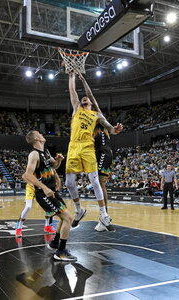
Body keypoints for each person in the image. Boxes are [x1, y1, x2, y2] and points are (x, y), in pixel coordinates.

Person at [65, 72, 123, 230]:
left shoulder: (97, 115)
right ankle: (80, 210)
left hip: (97, 149)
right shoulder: (77, 108)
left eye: (87, 99)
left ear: (91, 103)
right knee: (69, 182)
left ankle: (104, 215)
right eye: (83, 99)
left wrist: (114, 129)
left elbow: (110, 127)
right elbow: (73, 91)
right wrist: (72, 76)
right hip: (77, 146)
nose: (85, 98)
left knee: (98, 181)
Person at [22, 130, 76, 262]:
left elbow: (54, 166)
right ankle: (61, 252)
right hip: (44, 193)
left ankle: (54, 243)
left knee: (65, 219)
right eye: (39, 134)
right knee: (68, 218)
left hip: (52, 192)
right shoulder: (34, 154)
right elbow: (26, 175)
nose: (42, 134)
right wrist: (45, 188)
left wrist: (58, 160)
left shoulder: (45, 152)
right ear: (36, 138)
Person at [15, 169, 61, 237]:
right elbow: (24, 176)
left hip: (42, 189)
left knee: (49, 207)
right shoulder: (35, 166)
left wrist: (57, 188)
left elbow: (58, 179)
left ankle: (47, 226)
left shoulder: (51, 169)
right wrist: (30, 183)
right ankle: (19, 228)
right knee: (28, 207)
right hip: (31, 188)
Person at [93, 123, 115, 232]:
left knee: (100, 184)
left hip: (102, 153)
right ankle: (104, 216)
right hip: (107, 152)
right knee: (100, 184)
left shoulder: (96, 126)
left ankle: (104, 217)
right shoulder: (105, 127)